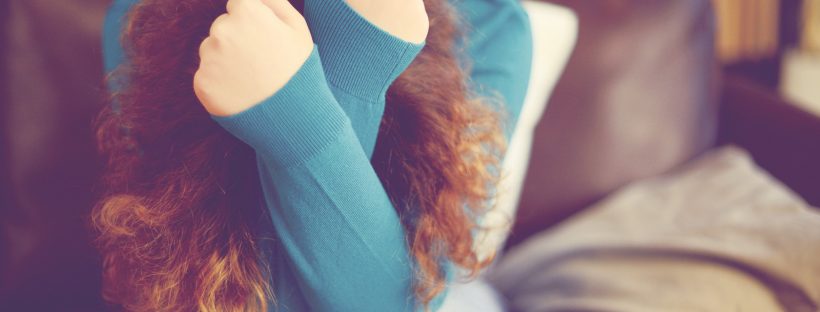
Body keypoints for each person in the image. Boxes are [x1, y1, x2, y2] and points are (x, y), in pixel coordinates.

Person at [96, 0, 531, 310]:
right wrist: (336, 82)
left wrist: (311, 105)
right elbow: (212, 292)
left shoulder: (493, 21)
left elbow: (413, 299)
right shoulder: (149, 12)